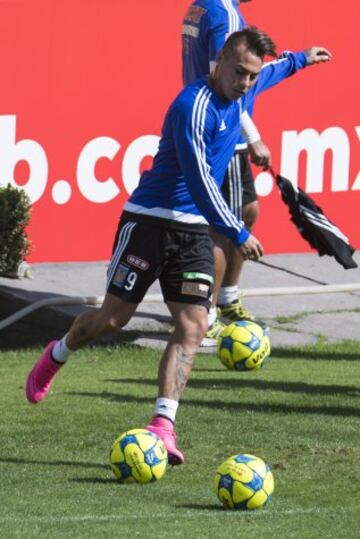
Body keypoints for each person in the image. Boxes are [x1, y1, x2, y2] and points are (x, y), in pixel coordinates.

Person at [25, 28, 331, 466]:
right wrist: (238, 232)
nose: (246, 83)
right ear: (220, 59)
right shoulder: (191, 106)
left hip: (192, 234)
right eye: (240, 73)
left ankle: (162, 427)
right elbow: (200, 182)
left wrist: (302, 57)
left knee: (192, 326)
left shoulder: (243, 87)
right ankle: (58, 354)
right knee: (112, 319)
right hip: (150, 220)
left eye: (251, 77)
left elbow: (273, 71)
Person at [182, 0, 276, 343]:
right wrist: (253, 137)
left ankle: (224, 300)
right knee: (224, 228)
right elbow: (226, 85)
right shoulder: (226, 14)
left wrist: (298, 61)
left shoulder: (200, 6)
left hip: (216, 127)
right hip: (226, 133)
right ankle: (205, 318)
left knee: (246, 211)